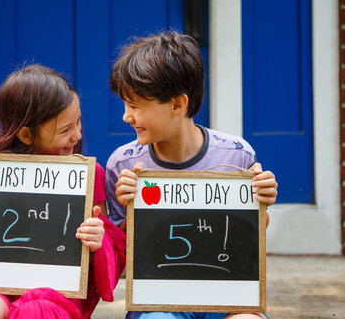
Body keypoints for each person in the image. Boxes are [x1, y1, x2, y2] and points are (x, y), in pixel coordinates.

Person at [106, 31, 278, 319]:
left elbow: (247, 244)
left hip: (227, 295)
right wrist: (127, 212)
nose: (126, 116)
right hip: (158, 300)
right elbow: (119, 260)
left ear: (177, 105)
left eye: (134, 106)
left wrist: (261, 201)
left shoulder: (237, 156)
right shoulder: (123, 164)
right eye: (125, 105)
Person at [0, 64, 126, 319]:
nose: (76, 134)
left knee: (34, 310)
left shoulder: (89, 175)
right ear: (26, 135)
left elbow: (107, 266)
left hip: (58, 297)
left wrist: (99, 239)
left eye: (78, 122)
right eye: (65, 130)